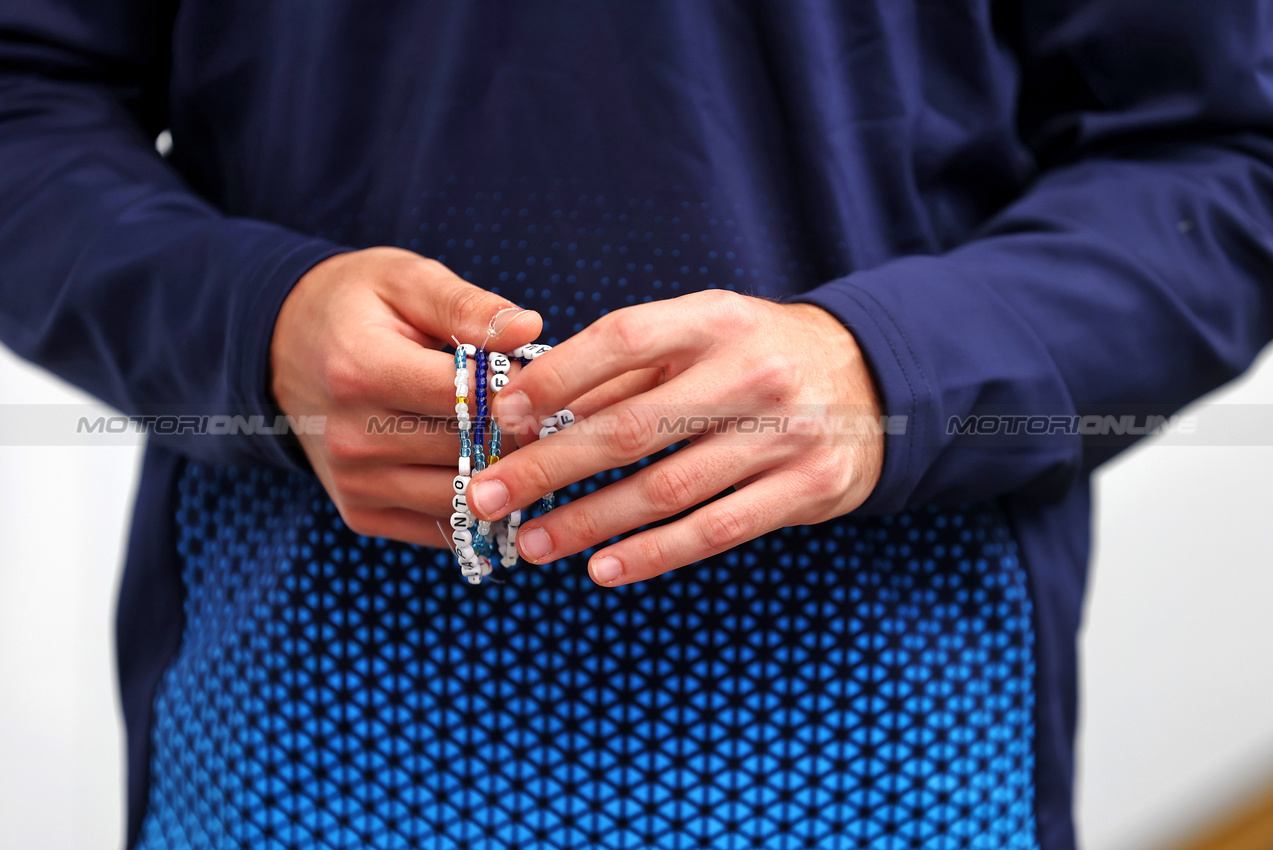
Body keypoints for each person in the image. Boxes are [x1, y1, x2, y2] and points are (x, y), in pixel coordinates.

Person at [1, 2, 1270, 848]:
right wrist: (250, 324)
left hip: (890, 735)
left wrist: (890, 371)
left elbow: (1221, 153)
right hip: (298, 726)